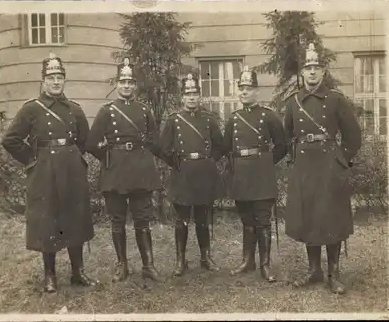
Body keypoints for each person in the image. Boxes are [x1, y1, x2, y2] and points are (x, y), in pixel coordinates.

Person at [1, 53, 99, 293]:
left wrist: (76, 160)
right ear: (43, 80)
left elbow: (84, 141)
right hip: (44, 172)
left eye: (60, 77)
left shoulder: (74, 110)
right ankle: (50, 276)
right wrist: (32, 161)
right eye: (51, 77)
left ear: (64, 80)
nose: (56, 82)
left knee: (74, 218)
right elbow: (10, 139)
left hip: (72, 171)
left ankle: (78, 273)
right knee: (48, 220)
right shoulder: (31, 109)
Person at [283, 43, 362, 294]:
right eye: (308, 68)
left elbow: (353, 135)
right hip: (305, 167)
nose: (312, 72)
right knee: (309, 218)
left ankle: (333, 273)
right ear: (303, 73)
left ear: (323, 71)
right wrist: (294, 162)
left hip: (330, 167)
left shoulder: (336, 99)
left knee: (331, 217)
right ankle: (314, 270)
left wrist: (342, 161)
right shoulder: (294, 102)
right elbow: (287, 137)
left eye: (316, 67)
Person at [85, 58, 163, 283]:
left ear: (135, 85)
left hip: (140, 171)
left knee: (142, 219)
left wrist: (142, 155)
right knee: (117, 221)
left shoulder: (144, 110)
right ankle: (122, 266)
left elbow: (153, 140)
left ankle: (148, 265)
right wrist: (108, 156)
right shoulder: (106, 112)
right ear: (117, 84)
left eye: (130, 81)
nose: (127, 86)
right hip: (115, 172)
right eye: (123, 81)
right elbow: (91, 143)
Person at [223, 66, 287, 282]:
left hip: (261, 174)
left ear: (256, 91)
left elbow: (282, 146)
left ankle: (265, 265)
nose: (243, 92)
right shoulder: (233, 119)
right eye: (241, 88)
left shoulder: (269, 117)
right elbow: (227, 147)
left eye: (248, 88)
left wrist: (267, 163)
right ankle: (247, 261)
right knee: (247, 220)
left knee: (262, 220)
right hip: (241, 174)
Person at [159, 73, 225, 277]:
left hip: (204, 174)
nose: (191, 97)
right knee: (182, 220)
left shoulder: (209, 120)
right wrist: (176, 163)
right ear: (182, 97)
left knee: (203, 218)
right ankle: (180, 260)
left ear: (200, 96)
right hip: (183, 174)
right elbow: (163, 148)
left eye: (195, 93)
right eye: (188, 93)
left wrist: (209, 161)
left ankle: (205, 257)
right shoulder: (173, 121)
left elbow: (220, 146)